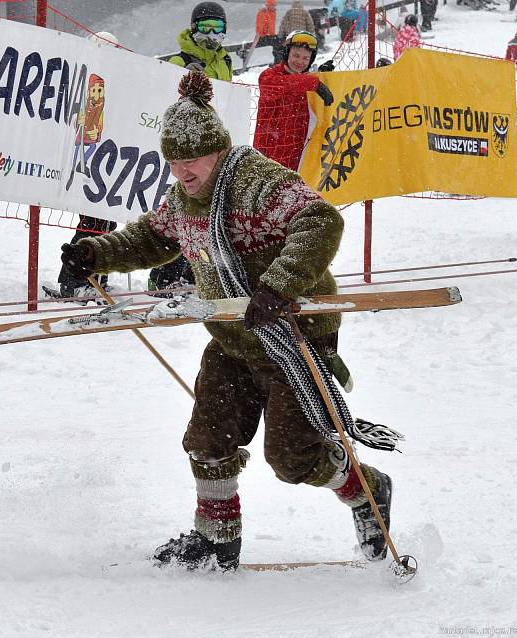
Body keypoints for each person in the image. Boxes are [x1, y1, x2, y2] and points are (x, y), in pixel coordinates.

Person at [59, 71, 392, 571]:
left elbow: (321, 221)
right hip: (235, 339)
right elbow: (150, 239)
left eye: (190, 161)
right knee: (208, 439)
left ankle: (367, 491)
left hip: (293, 338)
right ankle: (217, 540)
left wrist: (277, 285)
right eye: (173, 163)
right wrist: (94, 252)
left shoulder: (257, 182)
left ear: (216, 150)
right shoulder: (184, 199)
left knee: (294, 458)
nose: (181, 172)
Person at [157, 1, 235, 293]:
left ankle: (193, 273)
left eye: (218, 28)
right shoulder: (179, 60)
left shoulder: (225, 62)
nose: (212, 34)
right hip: (186, 149)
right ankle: (164, 275)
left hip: (212, 149)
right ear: (194, 28)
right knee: (181, 209)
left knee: (208, 213)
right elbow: (164, 101)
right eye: (206, 27)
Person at [56, 31, 119, 299]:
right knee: (92, 222)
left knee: (105, 222)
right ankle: (73, 281)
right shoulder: (82, 76)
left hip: (104, 156)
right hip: (85, 154)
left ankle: (96, 275)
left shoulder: (113, 79)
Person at [253, 30, 334, 172]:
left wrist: (322, 76)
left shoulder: (305, 80)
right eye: (296, 55)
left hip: (299, 156)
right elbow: (283, 84)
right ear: (286, 54)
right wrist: (314, 83)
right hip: (269, 159)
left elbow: (300, 82)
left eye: (305, 58)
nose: (300, 62)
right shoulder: (269, 76)